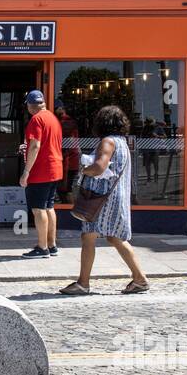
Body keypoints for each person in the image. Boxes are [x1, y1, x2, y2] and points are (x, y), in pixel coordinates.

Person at [60, 106, 150, 296]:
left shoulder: (107, 142)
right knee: (115, 237)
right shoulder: (122, 142)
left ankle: (83, 283)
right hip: (116, 197)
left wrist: (84, 169)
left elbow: (100, 167)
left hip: (102, 199)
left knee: (89, 236)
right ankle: (140, 279)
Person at [19, 89, 63, 258]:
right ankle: (52, 245)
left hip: (41, 171)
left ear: (30, 106)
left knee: (38, 209)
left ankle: (42, 247)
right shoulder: (53, 118)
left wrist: (26, 172)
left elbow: (36, 145)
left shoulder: (36, 120)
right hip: (55, 168)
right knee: (49, 207)